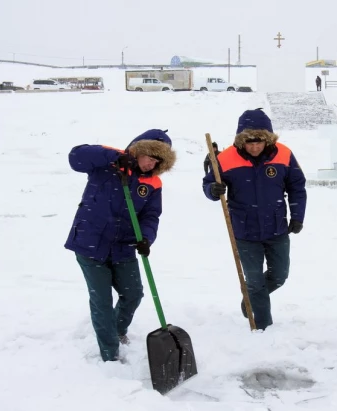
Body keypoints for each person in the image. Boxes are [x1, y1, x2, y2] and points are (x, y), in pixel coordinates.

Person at [65, 129, 176, 361]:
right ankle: (110, 354)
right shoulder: (108, 163)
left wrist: (146, 237)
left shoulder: (153, 183)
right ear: (138, 151)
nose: (151, 164)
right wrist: (113, 158)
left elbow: (151, 216)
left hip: (123, 247)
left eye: (158, 160)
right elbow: (75, 157)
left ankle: (117, 330)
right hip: (90, 244)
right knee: (102, 301)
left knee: (133, 294)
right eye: (149, 157)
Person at [202, 109, 307, 330]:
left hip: (277, 227)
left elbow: (297, 187)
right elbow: (208, 184)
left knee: (279, 276)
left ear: (267, 139)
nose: (255, 146)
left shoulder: (284, 154)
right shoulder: (226, 157)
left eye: (259, 141)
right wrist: (213, 189)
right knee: (255, 281)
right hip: (243, 230)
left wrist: (297, 216)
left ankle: (249, 300)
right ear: (242, 140)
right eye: (249, 142)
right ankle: (263, 326)